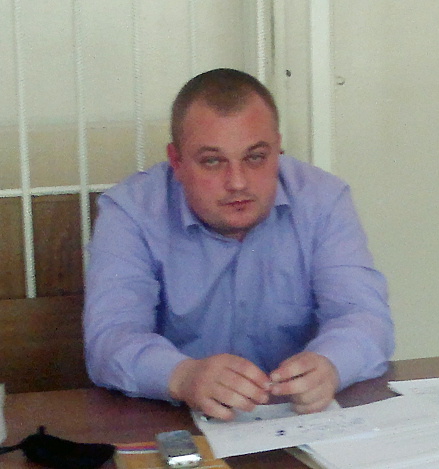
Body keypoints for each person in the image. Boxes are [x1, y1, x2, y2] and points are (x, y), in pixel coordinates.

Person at [84, 68, 394, 421]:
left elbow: (365, 316)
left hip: (299, 420)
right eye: (212, 161)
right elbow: (110, 338)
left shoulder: (322, 200)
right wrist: (182, 376)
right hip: (174, 422)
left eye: (255, 157)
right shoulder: (131, 211)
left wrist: (332, 364)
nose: (237, 183)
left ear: (278, 150)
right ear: (177, 162)